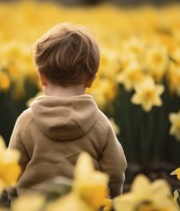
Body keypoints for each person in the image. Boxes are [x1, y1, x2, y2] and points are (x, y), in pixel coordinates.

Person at [8, 23, 127, 199]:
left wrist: (14, 198)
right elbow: (115, 170)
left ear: (41, 77)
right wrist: (111, 200)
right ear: (91, 80)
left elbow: (12, 167)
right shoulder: (100, 124)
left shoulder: (26, 121)